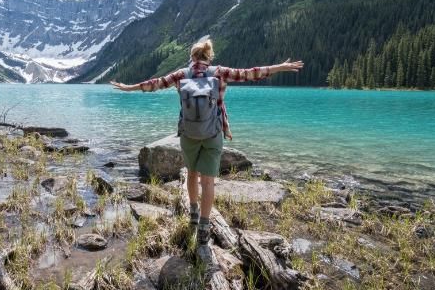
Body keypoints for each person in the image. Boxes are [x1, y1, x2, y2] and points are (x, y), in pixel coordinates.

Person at [110, 38, 303, 257]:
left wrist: (129, 88)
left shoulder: (181, 74)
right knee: (208, 181)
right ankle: (203, 227)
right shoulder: (219, 72)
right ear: (208, 57)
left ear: (192, 57)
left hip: (189, 134)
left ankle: (193, 214)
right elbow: (251, 73)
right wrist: (280, 67)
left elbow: (155, 83)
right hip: (213, 134)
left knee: (191, 173)